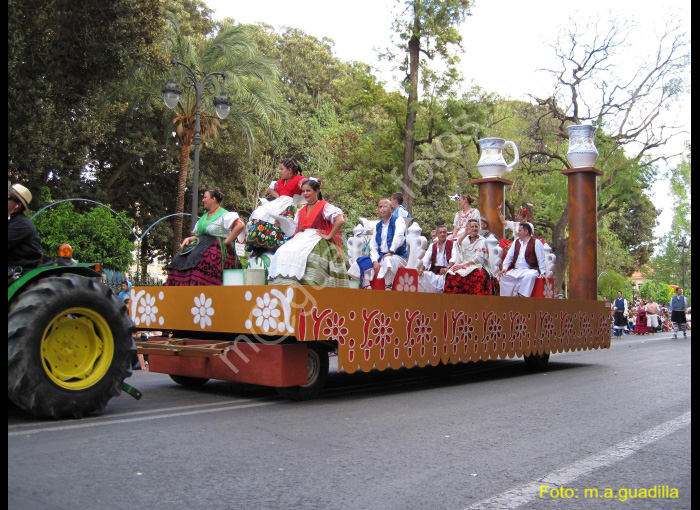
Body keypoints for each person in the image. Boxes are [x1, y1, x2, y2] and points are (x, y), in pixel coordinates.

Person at [268, 178, 349, 287]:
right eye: (303, 191)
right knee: (281, 252)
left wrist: (329, 235)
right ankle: (285, 286)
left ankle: (309, 285)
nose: (305, 193)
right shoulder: (301, 210)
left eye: (308, 191)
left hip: (316, 239)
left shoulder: (325, 206)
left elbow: (340, 220)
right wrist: (282, 224)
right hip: (301, 238)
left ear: (316, 191)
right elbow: (293, 230)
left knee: (310, 257)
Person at [166, 189, 245, 286]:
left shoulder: (225, 215)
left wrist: (226, 242)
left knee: (199, 263)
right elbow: (201, 235)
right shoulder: (204, 217)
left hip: (215, 249)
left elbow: (240, 225)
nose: (203, 200)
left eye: (205, 197)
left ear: (213, 199)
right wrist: (190, 239)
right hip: (200, 246)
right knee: (177, 261)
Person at [247, 157, 306, 252]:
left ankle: (279, 243)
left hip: (291, 203)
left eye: (282, 169)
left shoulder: (300, 180)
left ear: (289, 170)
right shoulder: (280, 181)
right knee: (261, 212)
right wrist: (278, 196)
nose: (280, 171)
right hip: (279, 202)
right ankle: (258, 241)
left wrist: (299, 200)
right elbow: (270, 189)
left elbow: (307, 187)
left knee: (284, 217)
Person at [444, 219, 497, 295]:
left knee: (478, 274)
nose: (474, 228)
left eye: (476, 226)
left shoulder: (482, 240)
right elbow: (458, 245)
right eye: (472, 227)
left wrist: (462, 266)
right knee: (451, 273)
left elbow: (478, 259)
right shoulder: (465, 239)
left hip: (478, 265)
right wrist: (465, 233)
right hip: (464, 263)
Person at [499, 222, 546, 297]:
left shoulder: (536, 242)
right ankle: (506, 300)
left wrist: (543, 273)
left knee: (530, 276)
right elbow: (509, 256)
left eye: (520, 231)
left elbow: (541, 258)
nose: (518, 232)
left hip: (530, 270)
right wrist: (504, 268)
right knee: (504, 277)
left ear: (526, 231)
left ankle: (522, 297)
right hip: (517, 270)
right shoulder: (516, 242)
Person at [8, 183, 43, 272]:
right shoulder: (13, 220)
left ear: (18, 205)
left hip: (19, 269)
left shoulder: (21, 224)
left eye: (8, 196)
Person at [417, 225, 454, 293]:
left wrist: (448, 268)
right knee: (420, 277)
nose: (442, 234)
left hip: (447, 272)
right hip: (434, 272)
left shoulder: (453, 244)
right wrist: (421, 269)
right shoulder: (432, 246)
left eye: (444, 232)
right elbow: (426, 259)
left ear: (447, 234)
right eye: (440, 232)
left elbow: (454, 258)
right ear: (436, 234)